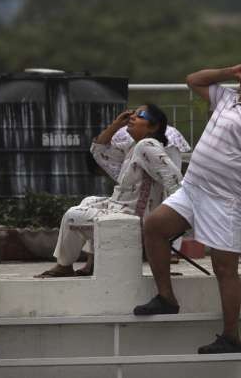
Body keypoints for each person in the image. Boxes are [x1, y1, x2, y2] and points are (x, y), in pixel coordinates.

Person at [134, 59, 241, 355]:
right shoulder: (228, 97)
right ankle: (166, 298)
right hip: (194, 188)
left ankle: (231, 337)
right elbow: (194, 79)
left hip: (227, 199)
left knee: (224, 265)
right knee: (154, 225)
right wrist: (229, 72)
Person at [35, 104, 183, 278]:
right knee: (88, 201)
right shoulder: (133, 146)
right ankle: (90, 263)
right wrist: (116, 125)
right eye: (132, 113)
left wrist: (173, 219)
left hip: (133, 218)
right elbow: (98, 149)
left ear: (153, 126)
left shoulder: (148, 145)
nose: (133, 117)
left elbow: (174, 179)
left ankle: (64, 266)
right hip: (119, 208)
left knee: (72, 215)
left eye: (140, 115)